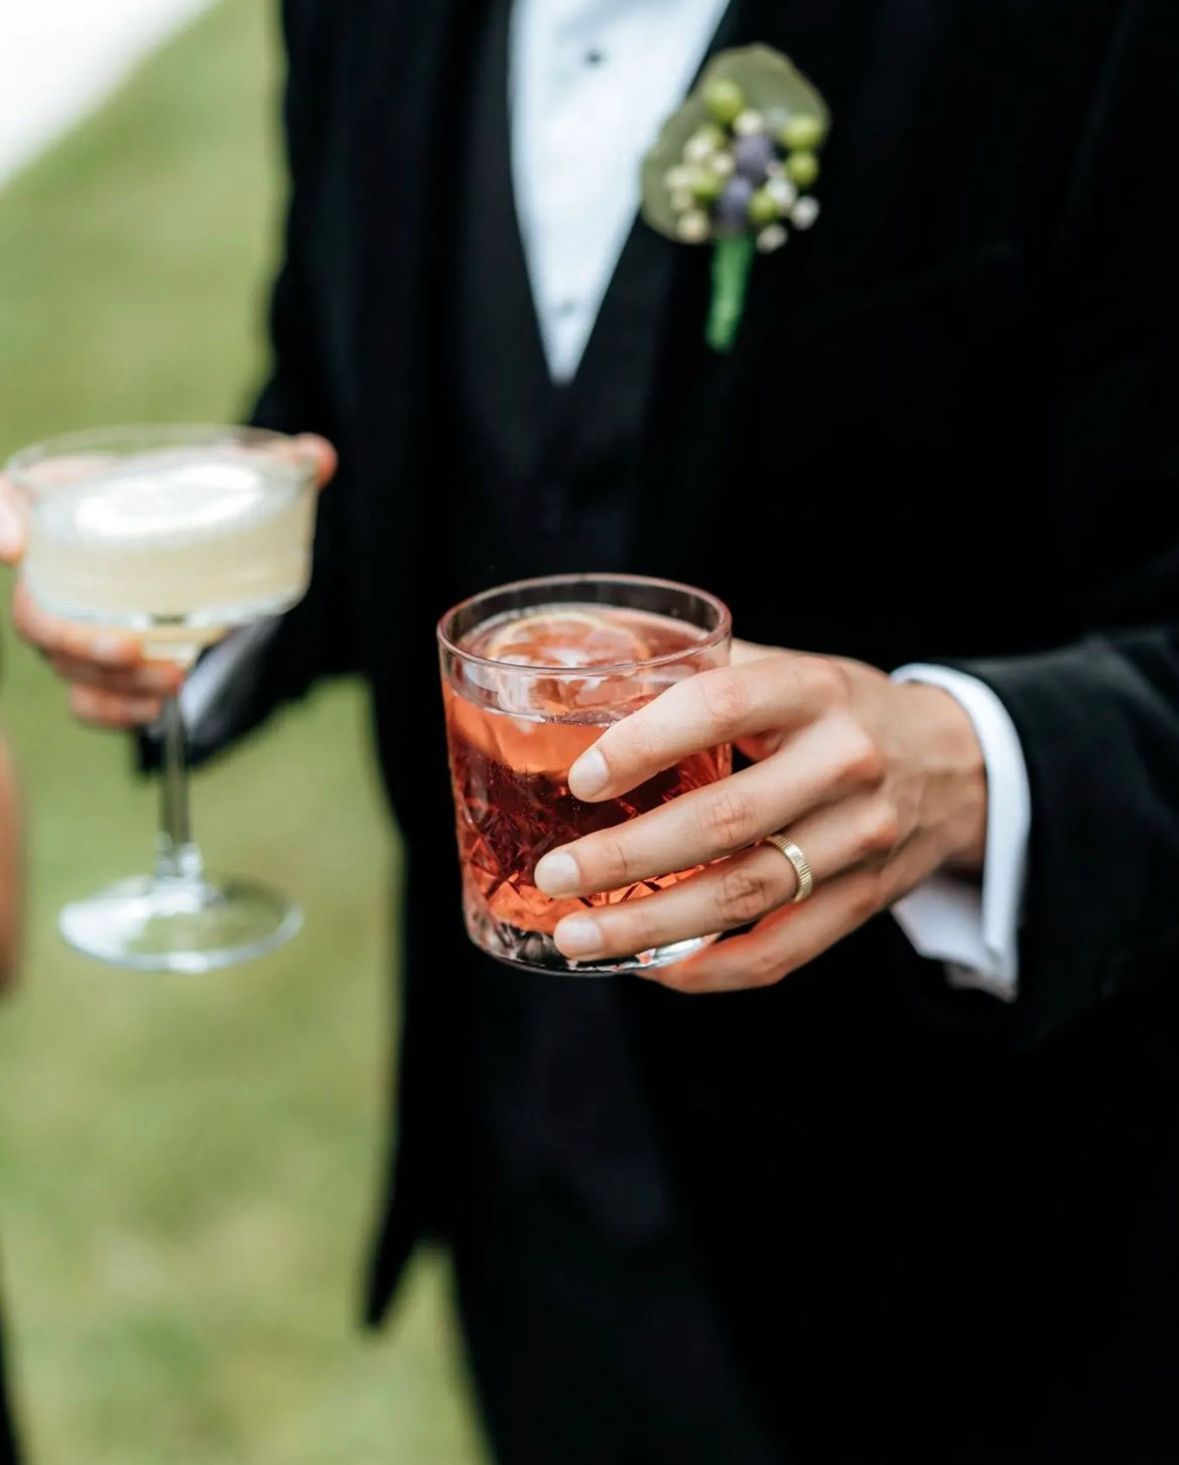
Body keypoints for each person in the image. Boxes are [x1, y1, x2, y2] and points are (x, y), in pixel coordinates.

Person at [2, 0, 1179, 1458]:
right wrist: (197, 608)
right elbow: (366, 417)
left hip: (999, 1250)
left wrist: (972, 765)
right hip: (533, 1211)